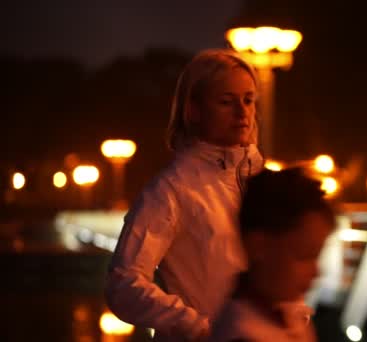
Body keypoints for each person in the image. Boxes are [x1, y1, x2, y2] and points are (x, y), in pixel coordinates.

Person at [105, 49, 264, 341]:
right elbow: (123, 282)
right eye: (227, 102)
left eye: (249, 100)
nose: (242, 112)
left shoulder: (263, 184)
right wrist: (194, 326)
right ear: (193, 110)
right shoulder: (171, 190)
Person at [210, 168, 335, 342]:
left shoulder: (286, 315)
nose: (316, 272)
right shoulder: (243, 333)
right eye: (305, 255)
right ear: (258, 246)